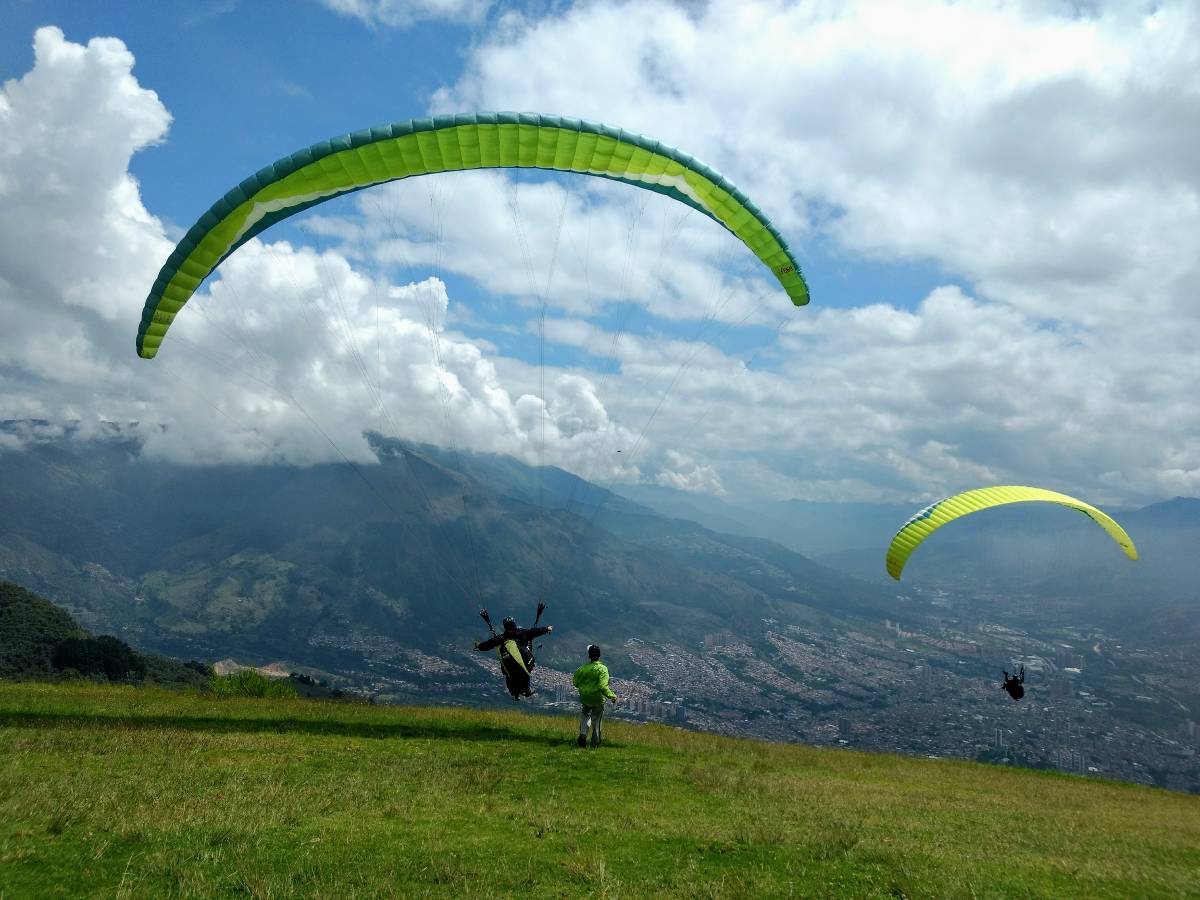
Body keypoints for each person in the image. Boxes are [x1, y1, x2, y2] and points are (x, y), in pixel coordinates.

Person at [474, 615, 553, 701]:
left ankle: (515, 693)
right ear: (514, 624)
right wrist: (547, 629)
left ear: (505, 627)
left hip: (511, 668)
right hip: (525, 663)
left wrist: (479, 646)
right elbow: (536, 631)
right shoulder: (524, 633)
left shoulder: (502, 638)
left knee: (509, 674)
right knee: (525, 671)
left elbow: (489, 644)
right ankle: (527, 690)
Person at [572, 644, 617, 748]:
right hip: (597, 699)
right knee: (597, 721)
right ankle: (594, 744)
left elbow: (575, 682)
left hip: (585, 698)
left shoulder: (582, 668)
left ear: (589, 655)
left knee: (585, 716)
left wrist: (584, 686)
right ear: (599, 655)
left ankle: (583, 734)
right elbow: (602, 686)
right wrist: (611, 695)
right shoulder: (602, 669)